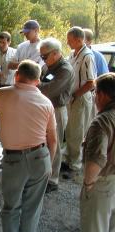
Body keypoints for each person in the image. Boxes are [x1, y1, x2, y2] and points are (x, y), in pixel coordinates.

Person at [0, 60, 57, 232]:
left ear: (17, 75)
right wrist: (50, 161)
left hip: (14, 160)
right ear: (37, 80)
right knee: (32, 208)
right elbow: (53, 138)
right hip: (40, 157)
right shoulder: (46, 102)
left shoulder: (2, 94)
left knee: (11, 208)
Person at [80, 72, 115, 232]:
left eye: (95, 93)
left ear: (102, 94)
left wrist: (88, 184)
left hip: (104, 183)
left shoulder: (102, 121)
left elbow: (96, 160)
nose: (94, 97)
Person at [38, 38, 74, 193]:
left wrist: (33, 83)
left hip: (57, 110)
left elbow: (49, 89)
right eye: (42, 57)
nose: (43, 60)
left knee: (55, 144)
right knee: (43, 142)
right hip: (45, 108)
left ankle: (52, 180)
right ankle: (43, 174)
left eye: (44, 56)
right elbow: (42, 83)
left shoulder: (65, 69)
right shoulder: (49, 66)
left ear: (55, 53)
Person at [63, 26, 96, 178]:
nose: (68, 43)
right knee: (69, 129)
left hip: (81, 97)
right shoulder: (72, 53)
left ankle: (75, 164)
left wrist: (75, 95)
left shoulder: (87, 56)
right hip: (72, 96)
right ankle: (69, 158)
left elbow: (91, 83)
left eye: (70, 40)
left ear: (79, 39)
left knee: (77, 131)